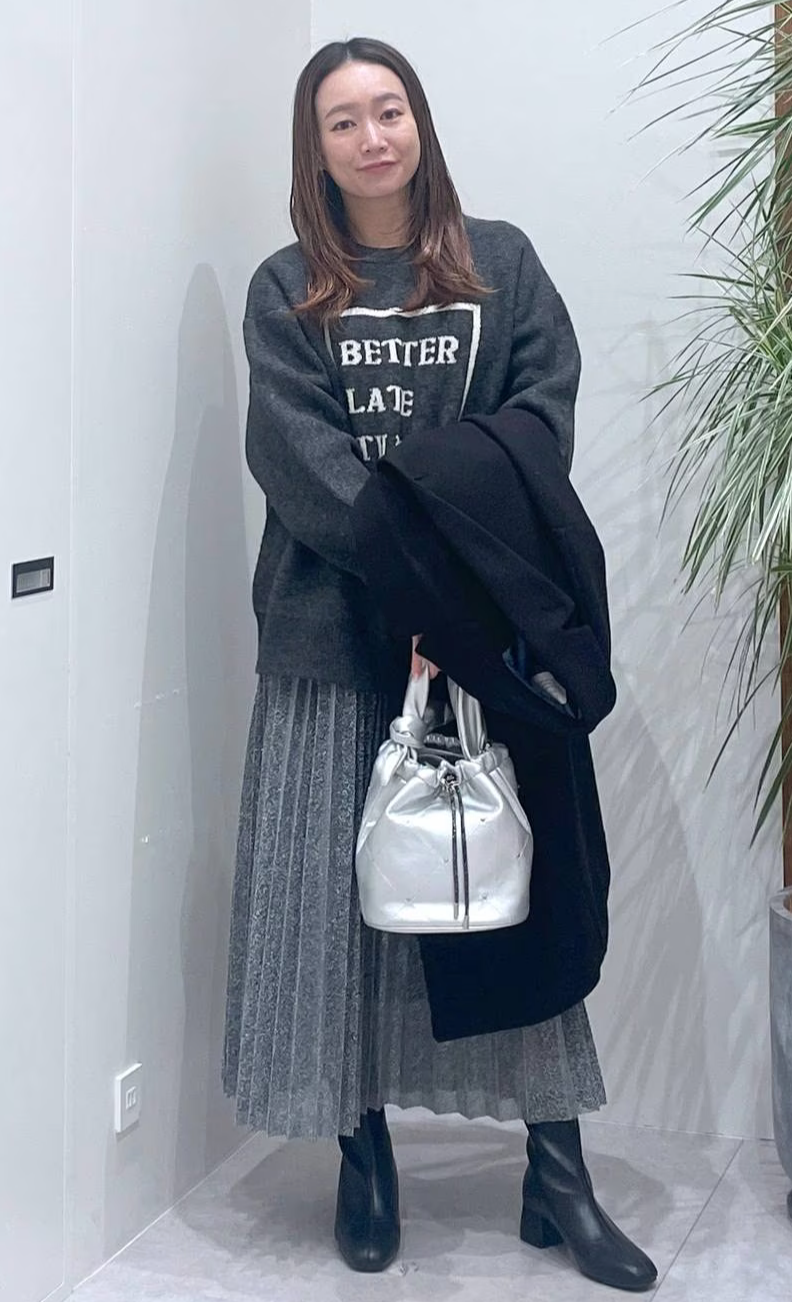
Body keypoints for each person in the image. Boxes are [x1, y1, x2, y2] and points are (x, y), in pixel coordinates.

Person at [222, 36, 657, 1293]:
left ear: (420, 123)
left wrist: (454, 598)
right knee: (340, 907)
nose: (372, 137)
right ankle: (363, 1157)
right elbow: (299, 459)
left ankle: (556, 1173)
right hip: (329, 635)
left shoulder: (500, 266)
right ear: (315, 149)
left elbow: (537, 427)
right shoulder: (286, 287)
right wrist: (416, 583)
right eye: (343, 121)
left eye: (389, 110)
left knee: (519, 894)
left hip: (484, 631)